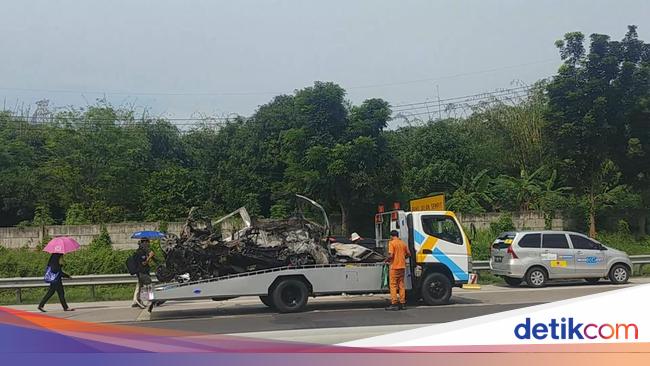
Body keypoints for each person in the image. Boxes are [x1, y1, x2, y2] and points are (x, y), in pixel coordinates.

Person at [385, 230, 410, 311]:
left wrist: (387, 260)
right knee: (401, 285)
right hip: (402, 267)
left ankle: (394, 303)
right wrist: (403, 258)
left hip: (394, 267)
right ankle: (402, 303)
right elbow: (408, 254)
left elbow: (391, 255)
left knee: (393, 285)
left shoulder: (392, 243)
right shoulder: (402, 243)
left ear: (391, 236)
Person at [132, 239, 155, 309]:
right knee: (149, 285)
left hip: (142, 272)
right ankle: (150, 300)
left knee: (140, 287)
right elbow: (143, 263)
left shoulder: (142, 252)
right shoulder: (140, 253)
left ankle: (139, 301)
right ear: (143, 243)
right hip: (142, 272)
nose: (148, 244)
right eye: (147, 243)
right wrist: (149, 257)